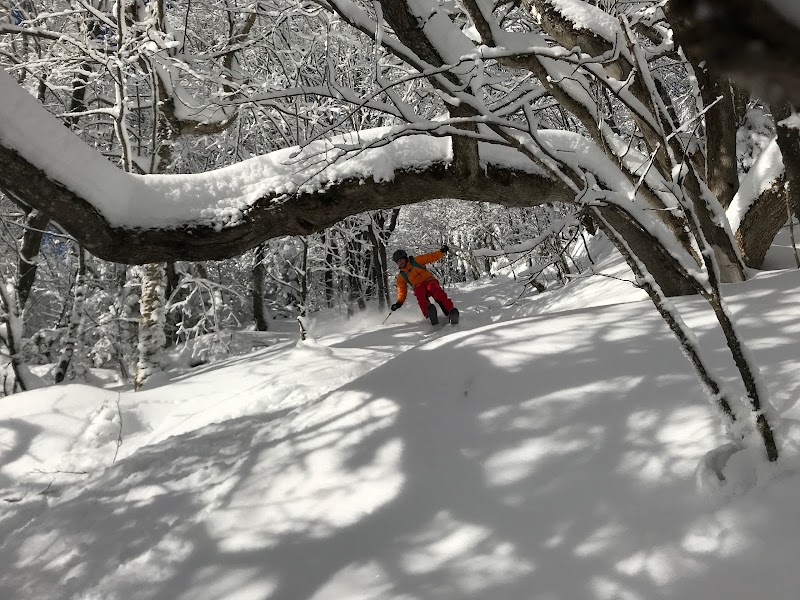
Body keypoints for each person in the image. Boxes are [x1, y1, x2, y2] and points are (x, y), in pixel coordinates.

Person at [390, 246, 459, 325]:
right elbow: (402, 291)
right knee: (420, 294)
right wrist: (399, 302)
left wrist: (441, 252)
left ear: (405, 258)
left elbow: (431, 257)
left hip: (429, 281)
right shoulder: (401, 276)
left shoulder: (416, 261)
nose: (400, 262)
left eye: (401, 259)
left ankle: (450, 311)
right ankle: (429, 315)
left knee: (438, 293)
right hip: (418, 286)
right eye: (398, 261)